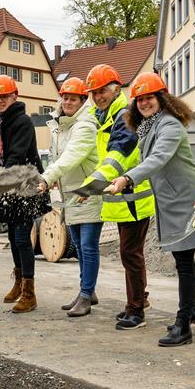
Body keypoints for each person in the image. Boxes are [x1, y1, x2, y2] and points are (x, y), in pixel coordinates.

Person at [106, 73, 195, 347]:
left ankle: (183, 325)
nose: (144, 103)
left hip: (186, 202)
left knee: (185, 263)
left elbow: (158, 158)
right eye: (139, 99)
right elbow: (154, 167)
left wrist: (129, 178)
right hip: (170, 203)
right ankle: (191, 309)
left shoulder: (170, 126)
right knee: (182, 261)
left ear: (161, 98)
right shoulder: (148, 127)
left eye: (149, 97)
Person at [79, 63, 155, 330]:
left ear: (115, 89)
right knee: (131, 254)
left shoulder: (123, 116)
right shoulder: (110, 116)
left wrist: (89, 185)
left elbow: (117, 156)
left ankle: (136, 311)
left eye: (102, 91)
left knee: (130, 254)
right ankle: (137, 302)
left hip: (133, 197)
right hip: (126, 198)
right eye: (94, 92)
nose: (97, 96)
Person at [39, 77, 103, 317]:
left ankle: (86, 296)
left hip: (88, 192)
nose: (67, 101)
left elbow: (71, 157)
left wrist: (47, 177)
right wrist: (53, 175)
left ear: (82, 100)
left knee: (88, 246)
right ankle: (87, 290)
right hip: (70, 194)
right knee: (77, 245)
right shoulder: (61, 125)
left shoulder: (85, 126)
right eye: (64, 97)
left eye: (72, 98)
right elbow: (56, 156)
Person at [0, 75, 48, 313]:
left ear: (15, 95)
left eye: (4, 96)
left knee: (22, 239)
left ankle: (29, 294)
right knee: (12, 237)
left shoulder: (21, 121)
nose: (0, 100)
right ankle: (19, 283)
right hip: (11, 186)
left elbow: (17, 157)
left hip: (26, 185)